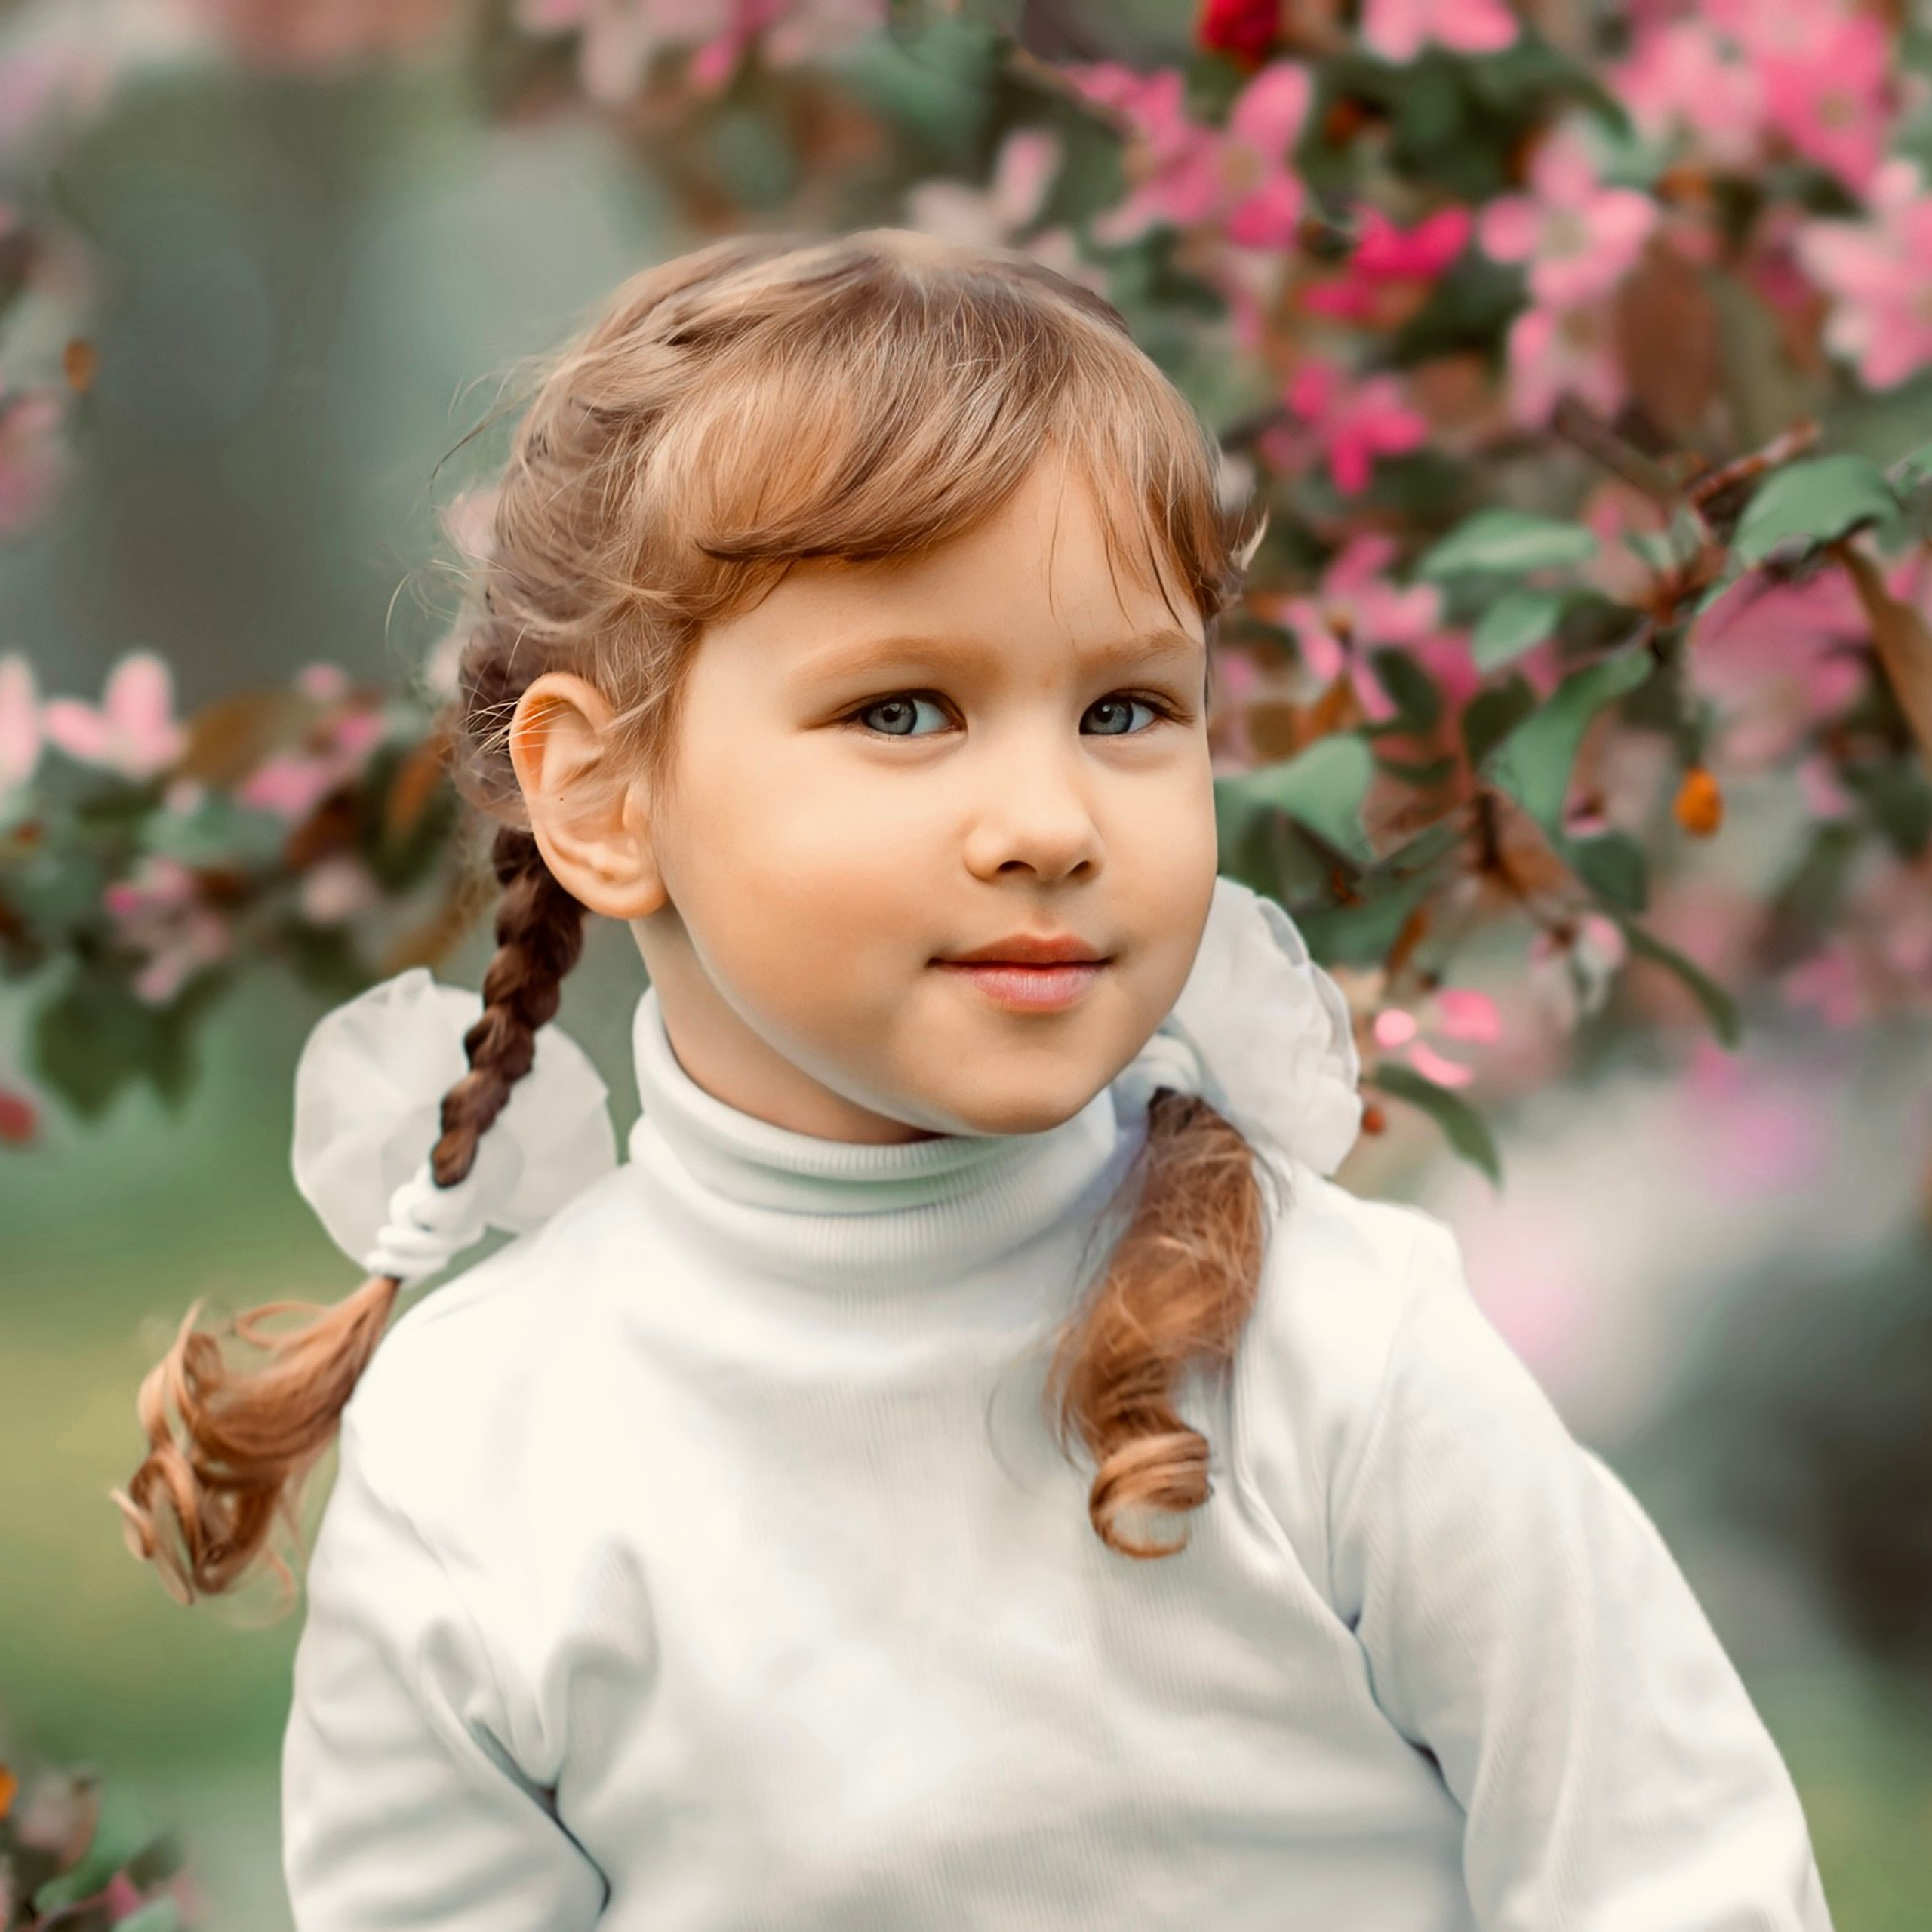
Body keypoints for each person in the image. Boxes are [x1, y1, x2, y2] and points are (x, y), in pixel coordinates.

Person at [112, 229, 1834, 1930]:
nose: (1047, 824)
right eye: (906, 711)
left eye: (1124, 712)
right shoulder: (481, 1443)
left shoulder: (1339, 1351)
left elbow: (1675, 1873)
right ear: (606, 795)